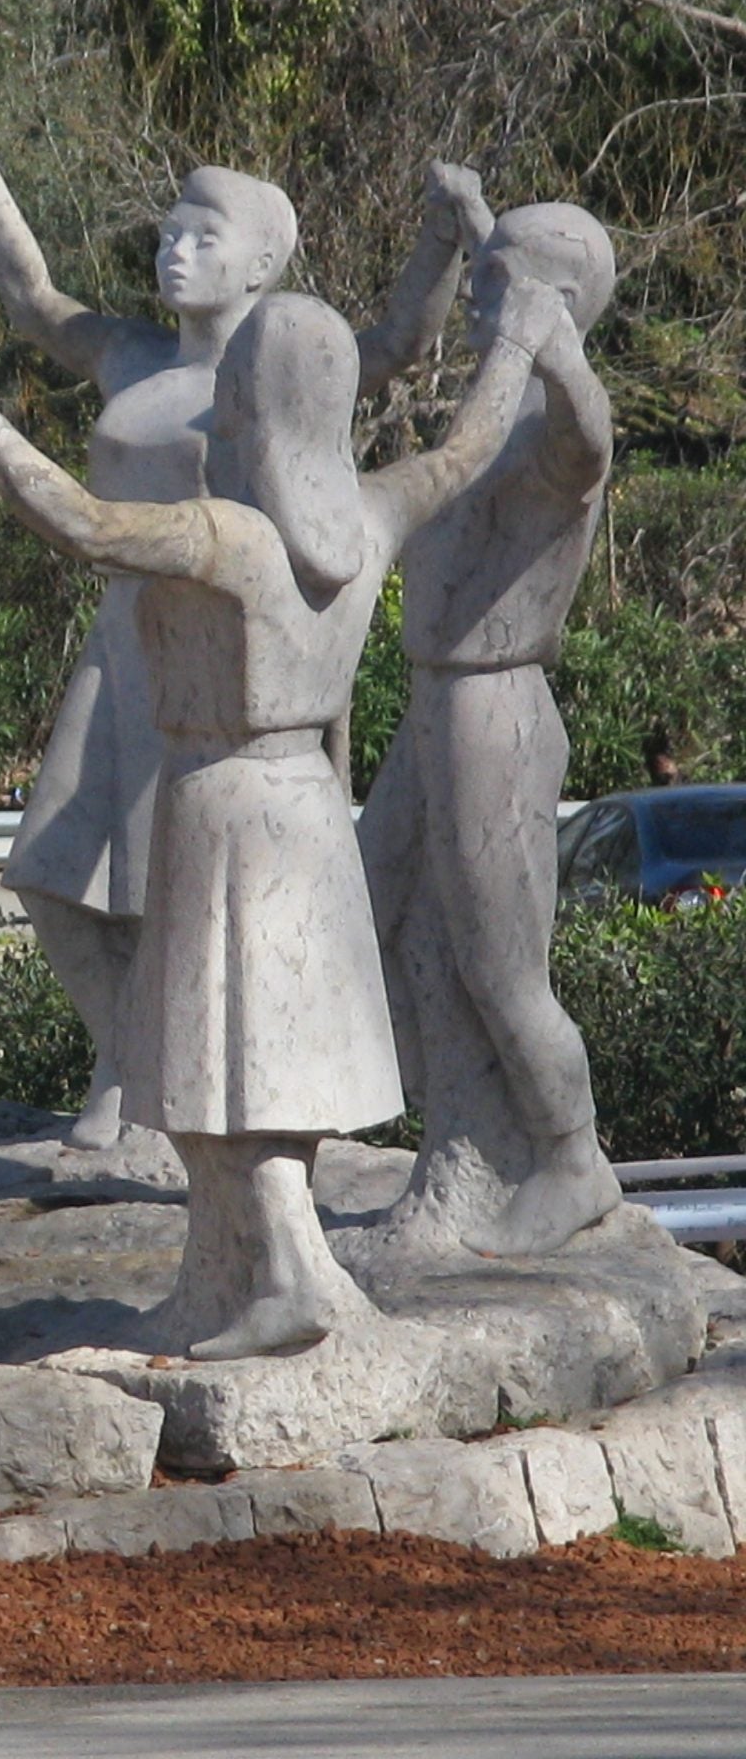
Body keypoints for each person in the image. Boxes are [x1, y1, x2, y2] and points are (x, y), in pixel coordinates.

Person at [0, 267, 571, 1358]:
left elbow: (80, 522)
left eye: (229, 395)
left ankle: (289, 1276)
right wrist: (514, 346)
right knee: (233, 1068)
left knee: (222, 1070)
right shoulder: (371, 513)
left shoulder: (221, 535)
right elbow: (460, 454)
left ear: (251, 410)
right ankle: (218, 1280)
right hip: (305, 809)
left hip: (218, 807)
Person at [0, 104, 485, 1147]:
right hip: (123, 640)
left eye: (200, 237)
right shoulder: (127, 354)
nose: (172, 251)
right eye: (167, 232)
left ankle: (150, 1098)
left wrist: (444, 237)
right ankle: (131, 1066)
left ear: (263, 259)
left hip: (231, 646)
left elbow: (402, 341)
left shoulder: (290, 366)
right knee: (54, 879)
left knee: (176, 888)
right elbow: (33, 299)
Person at [358, 200, 624, 1257]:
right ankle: (442, 1121)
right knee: (360, 912)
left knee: (503, 972)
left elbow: (590, 433)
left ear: (552, 305)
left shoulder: (555, 430)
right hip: (433, 705)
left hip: (491, 710)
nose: (477, 291)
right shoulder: (495, 411)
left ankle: (571, 1157)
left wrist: (546, 345)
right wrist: (471, 226)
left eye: (497, 274)